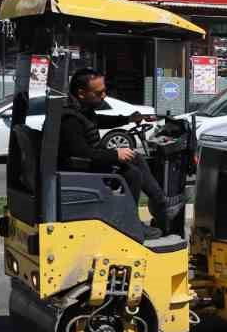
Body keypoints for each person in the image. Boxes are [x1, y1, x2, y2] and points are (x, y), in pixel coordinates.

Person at [57, 68, 168, 231]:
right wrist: (115, 154)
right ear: (81, 93)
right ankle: (129, 223)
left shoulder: (82, 110)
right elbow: (82, 152)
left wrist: (128, 119)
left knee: (135, 157)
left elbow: (99, 121)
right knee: (132, 174)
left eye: (104, 91)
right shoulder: (69, 119)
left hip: (86, 163)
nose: (104, 96)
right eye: (99, 93)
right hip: (77, 170)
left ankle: (160, 201)